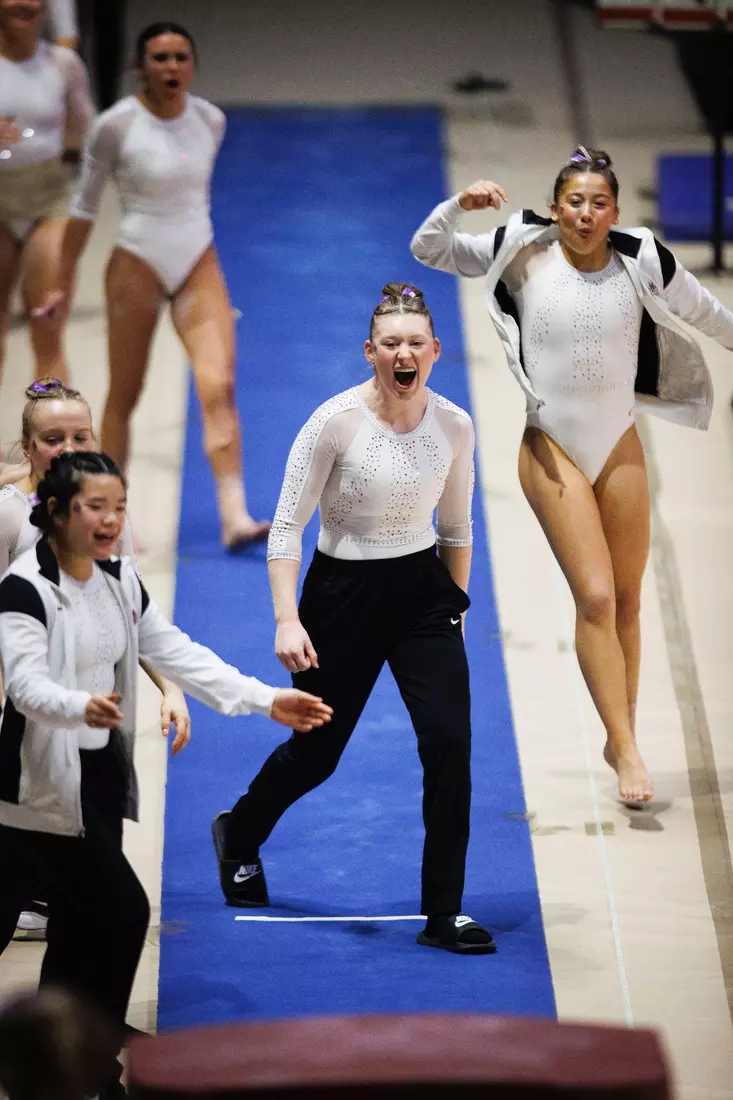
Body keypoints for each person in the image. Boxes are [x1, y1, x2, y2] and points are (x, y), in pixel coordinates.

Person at [410, 147, 733, 805]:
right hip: (550, 445)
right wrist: (458, 207)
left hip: (617, 440)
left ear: (613, 210)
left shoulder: (641, 255)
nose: (585, 213)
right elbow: (429, 249)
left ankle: (622, 738)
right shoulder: (520, 249)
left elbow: (705, 313)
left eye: (598, 203)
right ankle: (629, 751)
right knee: (594, 598)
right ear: (555, 208)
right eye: (573, 202)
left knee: (629, 598)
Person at [0, 451, 332, 1071]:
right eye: (94, 507)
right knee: (122, 910)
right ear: (54, 512)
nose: (109, 520)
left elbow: (176, 652)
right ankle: (91, 1054)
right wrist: (79, 706)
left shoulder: (119, 579)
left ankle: (65, 1055)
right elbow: (23, 687)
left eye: (119, 507)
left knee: (77, 921)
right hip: (36, 787)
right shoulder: (24, 587)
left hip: (95, 776)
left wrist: (266, 700)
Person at [212, 283, 495, 957]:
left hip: (423, 595)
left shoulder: (454, 425)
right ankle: (240, 832)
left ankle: (443, 911)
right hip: (342, 596)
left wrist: (456, 608)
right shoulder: (333, 423)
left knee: (450, 744)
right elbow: (286, 528)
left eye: (415, 343)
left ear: (434, 351)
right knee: (317, 753)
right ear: (371, 353)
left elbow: (456, 526)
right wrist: (287, 619)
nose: (403, 353)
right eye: (390, 343)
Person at [38, 21, 270, 550]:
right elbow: (83, 209)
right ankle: (111, 516)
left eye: (180, 57)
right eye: (160, 58)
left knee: (220, 386)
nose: (171, 68)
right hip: (136, 263)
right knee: (125, 394)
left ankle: (234, 514)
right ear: (141, 66)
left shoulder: (211, 120)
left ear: (191, 64)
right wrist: (60, 282)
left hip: (197, 260)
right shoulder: (115, 126)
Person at [0, 377, 193, 942]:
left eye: (79, 435)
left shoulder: (107, 510)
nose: (67, 447)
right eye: (51, 438)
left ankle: (84, 1024)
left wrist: (170, 688)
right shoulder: (10, 516)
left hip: (100, 725)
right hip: (31, 727)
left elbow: (130, 612)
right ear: (29, 446)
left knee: (83, 894)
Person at [0, 0, 94, 383]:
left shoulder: (63, 65)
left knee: (48, 331)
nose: (28, 5)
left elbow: (90, 133)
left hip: (50, 203)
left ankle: (56, 443)